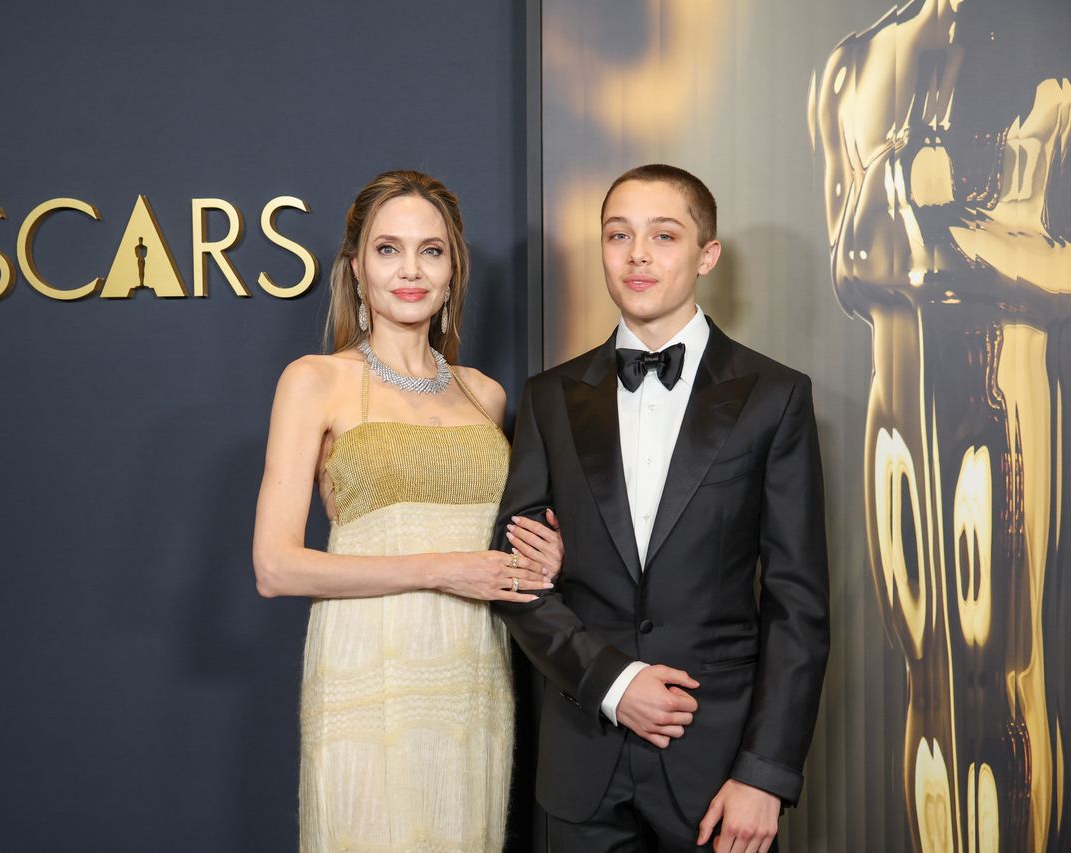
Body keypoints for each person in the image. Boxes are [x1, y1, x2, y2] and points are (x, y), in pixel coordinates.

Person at [493, 164, 829, 853]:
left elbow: (798, 604)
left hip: (719, 770)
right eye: (618, 234)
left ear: (707, 254)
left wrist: (765, 774)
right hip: (579, 761)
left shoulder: (775, 396)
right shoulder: (548, 397)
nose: (637, 254)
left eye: (663, 235)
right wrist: (614, 681)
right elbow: (515, 577)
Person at [252, 169, 565, 853]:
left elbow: (505, 542)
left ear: (454, 270)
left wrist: (545, 553)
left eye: (431, 250)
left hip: (473, 668)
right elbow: (275, 566)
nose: (410, 270)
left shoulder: (484, 395)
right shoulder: (316, 381)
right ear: (356, 267)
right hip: (369, 664)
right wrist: (442, 568)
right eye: (388, 249)